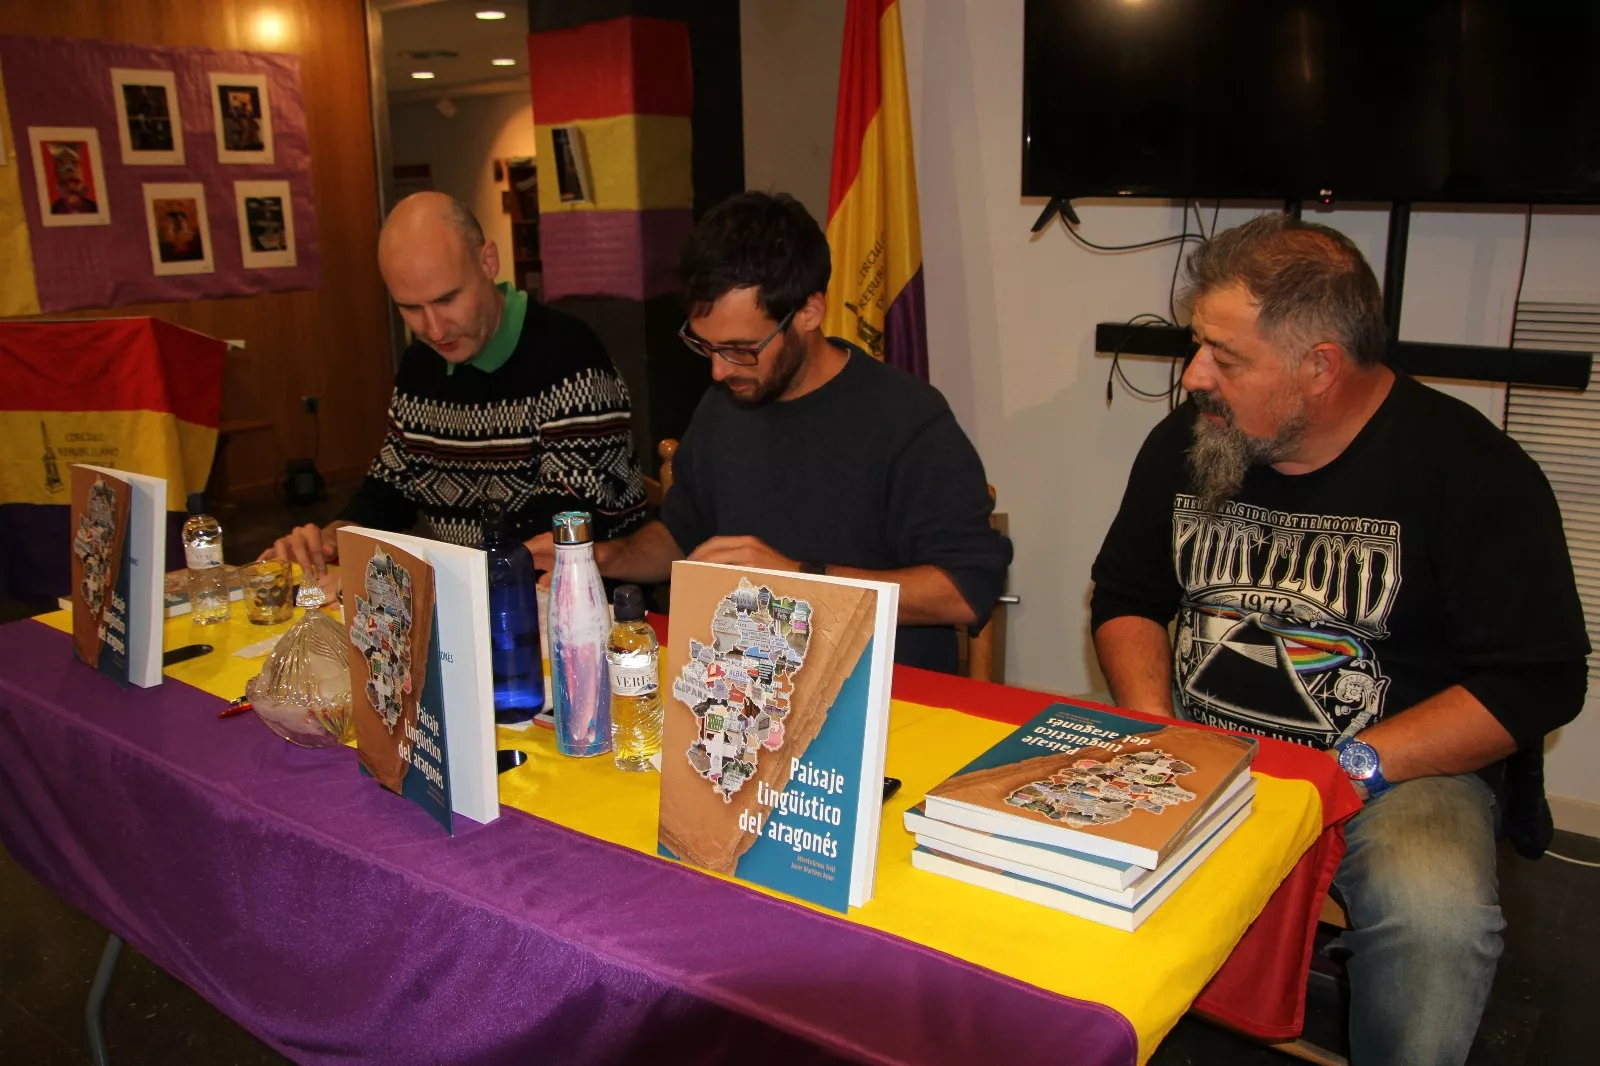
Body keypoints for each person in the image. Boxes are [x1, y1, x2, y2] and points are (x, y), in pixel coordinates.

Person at [1089, 213, 1589, 1065]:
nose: (1192, 378)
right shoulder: (1190, 443)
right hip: (1197, 744)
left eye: (1225, 356)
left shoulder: (1473, 471)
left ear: (1320, 366)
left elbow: (1537, 682)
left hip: (1391, 770)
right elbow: (1128, 596)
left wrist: (1347, 770)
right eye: (1197, 344)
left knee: (1434, 920)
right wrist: (1156, 724)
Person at [528, 191, 1011, 673]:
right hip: (743, 698)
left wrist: (798, 579)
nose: (718, 370)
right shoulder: (726, 406)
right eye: (706, 345)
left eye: (740, 347)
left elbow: (964, 590)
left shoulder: (907, 418)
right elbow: (681, 537)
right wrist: (602, 557)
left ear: (808, 312)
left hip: (883, 700)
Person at [264, 192, 646, 587]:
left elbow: (563, 529)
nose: (434, 329)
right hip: (471, 597)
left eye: (447, 299)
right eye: (410, 308)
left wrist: (413, 579)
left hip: (587, 609)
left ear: (488, 262)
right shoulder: (420, 364)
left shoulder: (568, 358)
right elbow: (391, 487)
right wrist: (334, 540)